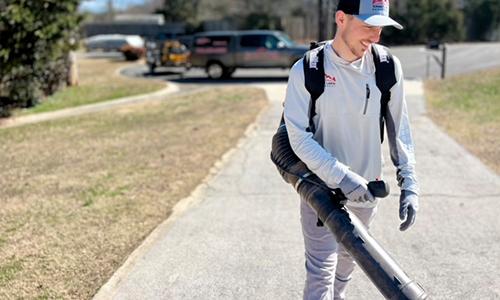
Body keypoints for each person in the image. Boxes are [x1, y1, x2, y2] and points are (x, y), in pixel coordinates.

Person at [282, 0, 419, 299]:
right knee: (321, 273)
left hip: (366, 192)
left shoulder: (386, 67)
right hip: (320, 190)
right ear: (341, 18)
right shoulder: (308, 69)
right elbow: (298, 137)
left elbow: (400, 129)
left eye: (381, 29)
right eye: (369, 26)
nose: (375, 37)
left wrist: (410, 183)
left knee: (349, 263)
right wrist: (342, 178)